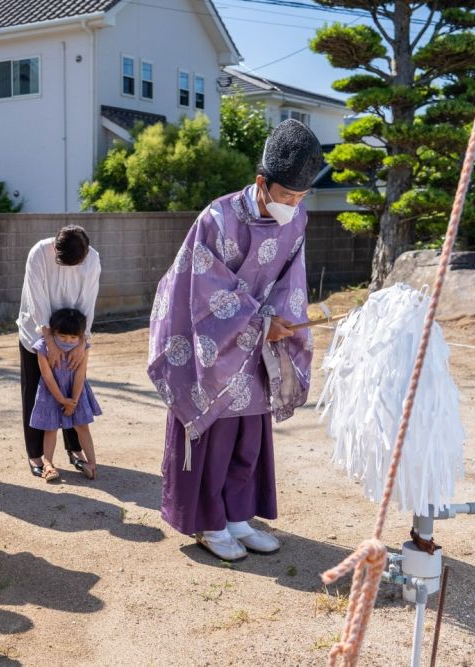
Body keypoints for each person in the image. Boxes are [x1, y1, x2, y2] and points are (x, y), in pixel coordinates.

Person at [147, 119, 321, 562]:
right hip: (210, 339)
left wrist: (282, 320)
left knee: (249, 434)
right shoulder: (218, 217)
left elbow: (291, 280)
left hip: (259, 341)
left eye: (302, 197)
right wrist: (261, 323)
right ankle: (208, 521)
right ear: (262, 183)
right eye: (287, 195)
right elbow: (204, 288)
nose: (294, 205)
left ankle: (239, 516)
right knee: (217, 430)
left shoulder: (296, 220)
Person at [17, 225, 101, 477]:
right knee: (36, 393)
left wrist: (82, 342)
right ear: (55, 247)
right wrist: (49, 340)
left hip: (73, 336)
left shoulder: (93, 258)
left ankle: (74, 449)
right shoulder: (39, 253)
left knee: (71, 389)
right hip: (37, 333)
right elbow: (36, 296)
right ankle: (36, 455)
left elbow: (89, 299)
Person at [29, 308, 101, 481]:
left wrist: (74, 401)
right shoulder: (43, 347)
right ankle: (48, 464)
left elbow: (80, 374)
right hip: (51, 394)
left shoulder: (83, 348)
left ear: (80, 336)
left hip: (76, 392)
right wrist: (62, 399)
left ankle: (92, 463)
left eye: (73, 337)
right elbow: (46, 376)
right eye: (62, 336)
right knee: (50, 428)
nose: (68, 341)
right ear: (53, 332)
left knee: (83, 426)